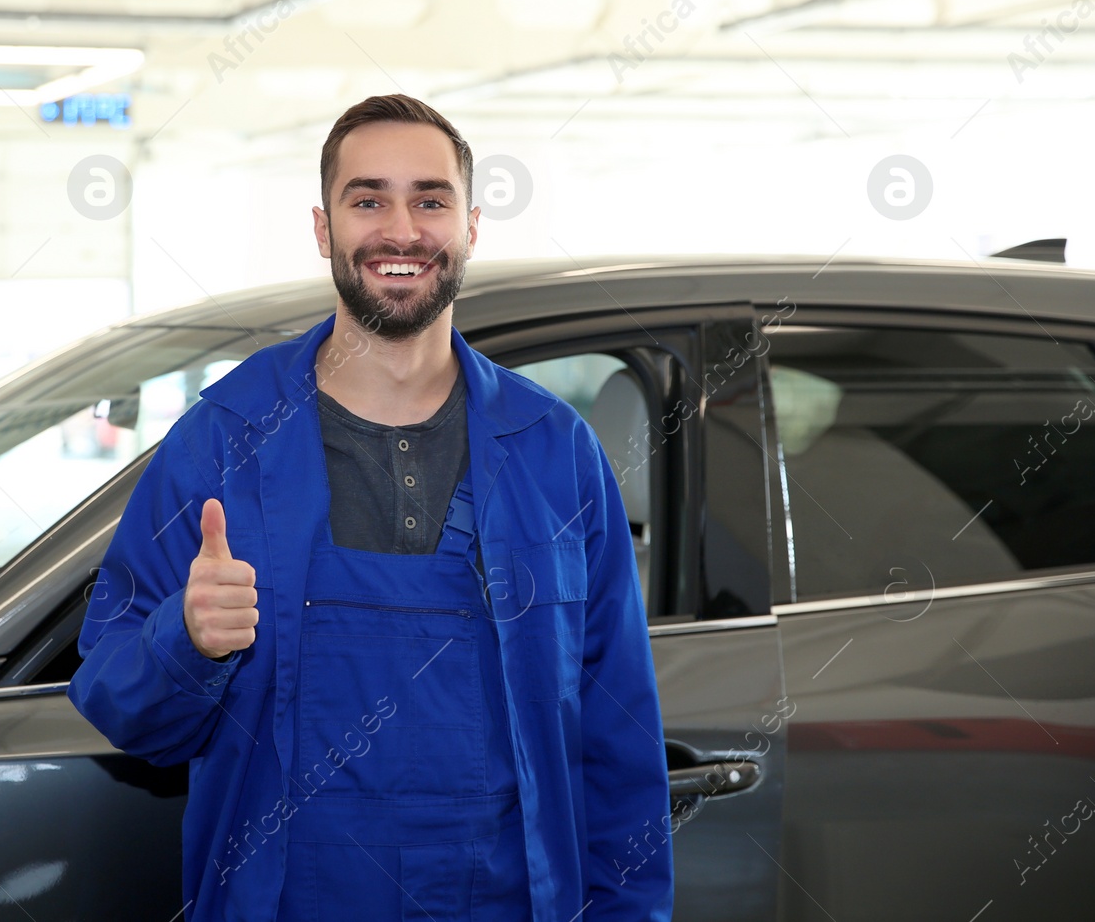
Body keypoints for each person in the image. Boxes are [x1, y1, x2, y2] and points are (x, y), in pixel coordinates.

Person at [69, 93, 673, 921]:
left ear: (470, 228)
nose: (401, 230)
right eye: (368, 199)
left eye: (431, 200)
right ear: (325, 230)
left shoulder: (556, 454)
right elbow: (118, 703)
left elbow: (620, 737)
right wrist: (187, 637)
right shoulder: (222, 440)